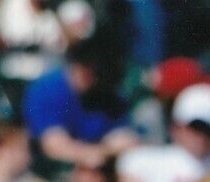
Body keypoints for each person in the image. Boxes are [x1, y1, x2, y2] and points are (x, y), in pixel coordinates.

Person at [21, 34, 137, 167]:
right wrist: (95, 153)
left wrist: (101, 152)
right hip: (51, 168)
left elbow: (124, 139)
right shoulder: (46, 89)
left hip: (99, 164)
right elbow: (54, 146)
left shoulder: (109, 95)